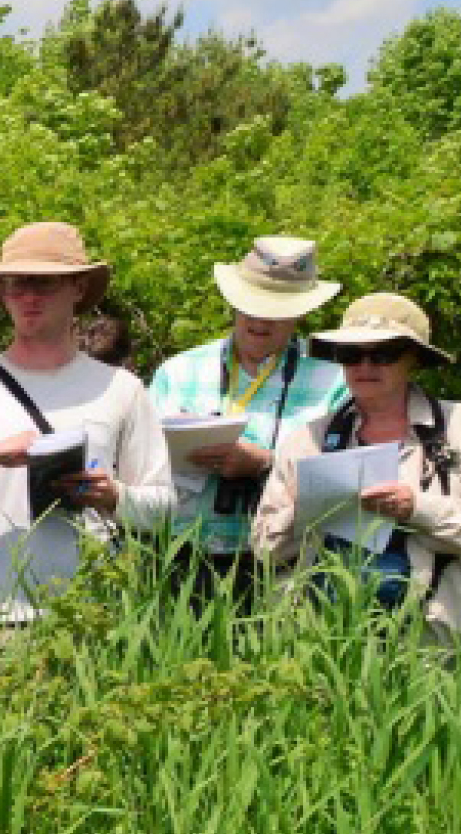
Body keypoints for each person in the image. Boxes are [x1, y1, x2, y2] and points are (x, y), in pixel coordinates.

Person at [0, 221, 173, 618]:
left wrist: (114, 496)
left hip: (93, 618)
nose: (29, 296)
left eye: (44, 283)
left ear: (78, 289)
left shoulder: (122, 390)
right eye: (16, 283)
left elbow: (165, 508)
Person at [248, 294, 461, 644]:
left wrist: (416, 509)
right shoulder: (307, 441)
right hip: (322, 639)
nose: (365, 366)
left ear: (414, 360)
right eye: (351, 355)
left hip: (435, 638)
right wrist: (302, 511)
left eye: (384, 354)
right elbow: (263, 549)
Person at [146, 236, 349, 597]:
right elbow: (140, 462)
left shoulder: (334, 382)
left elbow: (345, 483)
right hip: (181, 554)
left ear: (302, 312)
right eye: (251, 305)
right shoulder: (177, 373)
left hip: (284, 562)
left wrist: (266, 464)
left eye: (278, 309)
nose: (261, 319)